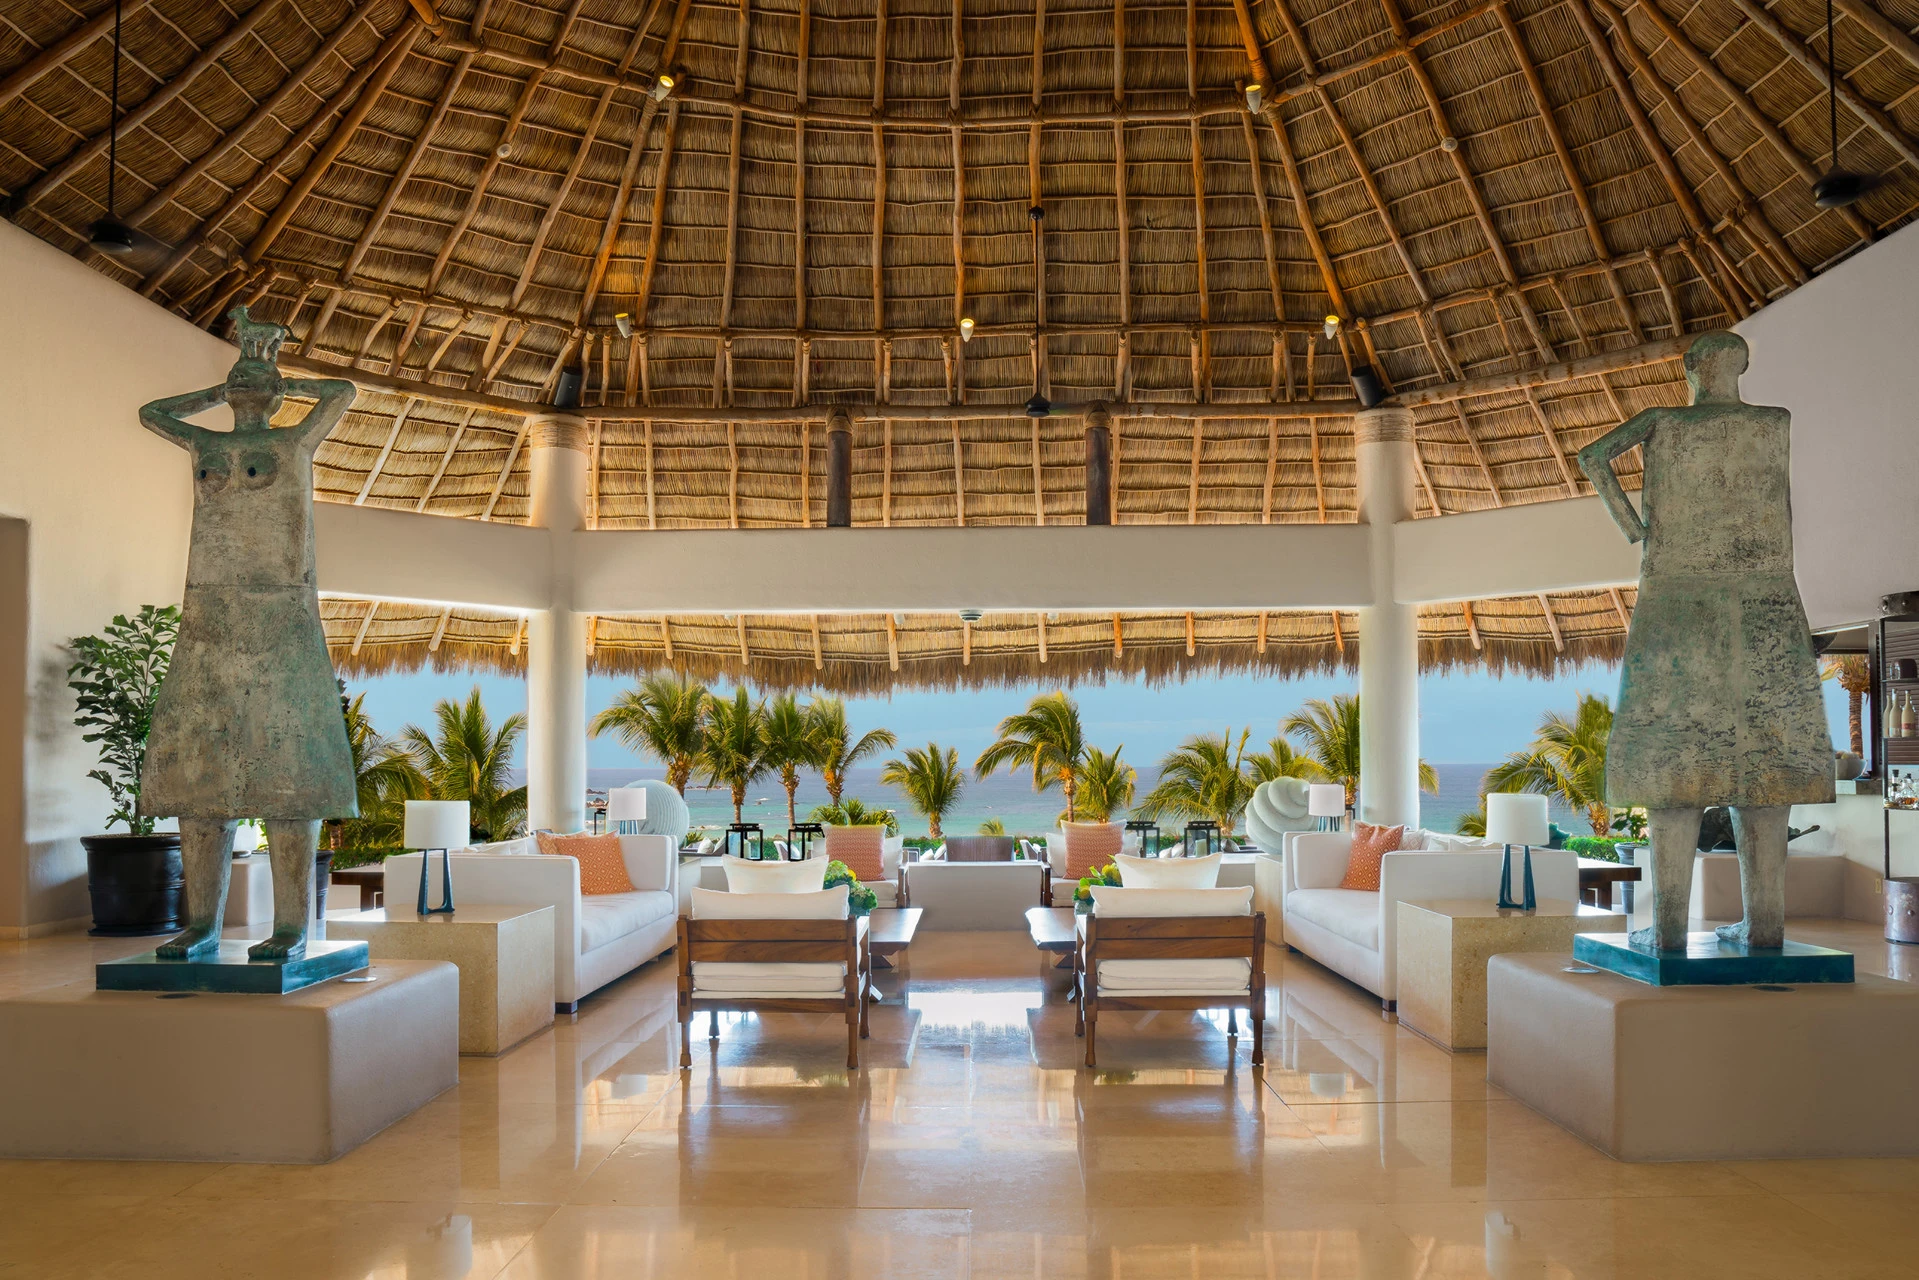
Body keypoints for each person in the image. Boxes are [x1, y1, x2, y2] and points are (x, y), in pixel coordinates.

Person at [1578, 331, 1833, 951]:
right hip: (1767, 600)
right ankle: (1766, 927)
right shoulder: (1773, 423)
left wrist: (1636, 528)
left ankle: (1667, 929)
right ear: (1741, 367)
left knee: (1674, 771)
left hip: (1676, 599)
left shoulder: (1664, 421)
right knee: (1767, 778)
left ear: (1692, 368)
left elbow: (1594, 458)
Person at [137, 306, 359, 961]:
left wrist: (283, 381)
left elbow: (341, 394)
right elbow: (153, 414)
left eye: (252, 385)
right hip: (209, 616)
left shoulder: (291, 445)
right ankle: (200, 923)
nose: (246, 391)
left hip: (281, 616)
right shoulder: (208, 447)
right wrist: (213, 392)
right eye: (240, 383)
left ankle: (290, 925)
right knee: (201, 789)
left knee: (288, 782)